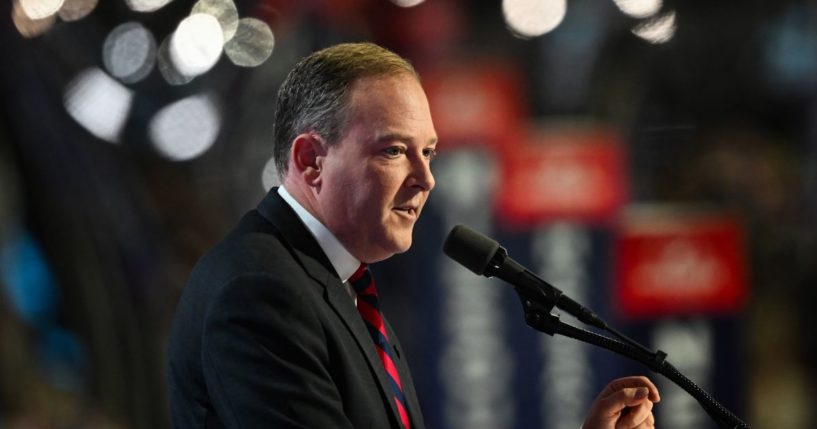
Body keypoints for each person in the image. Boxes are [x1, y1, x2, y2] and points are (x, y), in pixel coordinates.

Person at [167, 42, 660, 429]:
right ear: (310, 161)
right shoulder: (261, 292)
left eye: (430, 153)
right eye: (394, 151)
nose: (426, 180)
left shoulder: (333, 283)